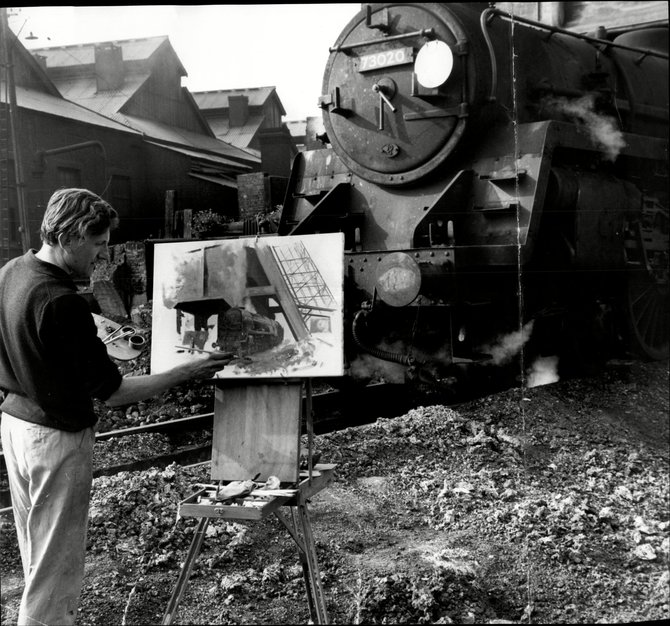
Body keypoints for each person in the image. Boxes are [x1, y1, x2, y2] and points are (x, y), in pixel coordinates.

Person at [0, 188, 232, 626]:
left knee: (37, 549)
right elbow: (116, 392)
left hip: (15, 425)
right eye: (98, 244)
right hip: (55, 438)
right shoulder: (61, 300)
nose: (102, 256)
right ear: (69, 237)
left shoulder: (11, 272)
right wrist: (191, 369)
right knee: (57, 566)